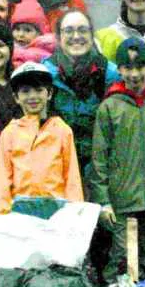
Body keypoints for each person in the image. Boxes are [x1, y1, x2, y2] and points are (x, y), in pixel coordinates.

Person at [90, 38, 145, 284]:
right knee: (122, 257)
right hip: (123, 201)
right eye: (127, 68)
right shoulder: (109, 107)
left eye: (140, 67)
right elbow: (99, 158)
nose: (134, 74)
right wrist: (104, 201)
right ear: (119, 69)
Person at [0, 62, 83, 214]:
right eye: (26, 91)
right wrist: (0, 213)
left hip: (56, 210)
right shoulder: (9, 133)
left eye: (39, 90)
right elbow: (3, 176)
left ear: (49, 94)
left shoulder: (62, 130)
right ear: (16, 97)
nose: (33, 96)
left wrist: (74, 211)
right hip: (20, 211)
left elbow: (71, 175)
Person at [42, 10, 120, 179]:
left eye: (83, 30)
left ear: (92, 35)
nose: (76, 36)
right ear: (58, 36)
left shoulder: (110, 74)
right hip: (55, 166)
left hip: (98, 167)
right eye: (68, 31)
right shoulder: (44, 74)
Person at [9, 0, 56, 68]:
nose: (21, 34)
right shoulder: (7, 47)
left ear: (40, 33)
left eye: (28, 30)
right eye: (17, 29)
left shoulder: (45, 51)